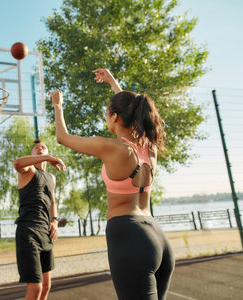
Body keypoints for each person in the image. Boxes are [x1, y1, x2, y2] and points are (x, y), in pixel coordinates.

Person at [49, 68, 175, 300]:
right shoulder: (149, 147)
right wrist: (113, 83)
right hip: (157, 236)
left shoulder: (113, 147)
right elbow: (133, 106)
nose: (106, 117)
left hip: (129, 235)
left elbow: (62, 137)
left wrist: (58, 106)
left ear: (115, 116)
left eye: (107, 113)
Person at [13, 139, 66, 300]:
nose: (40, 149)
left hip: (45, 232)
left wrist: (55, 220)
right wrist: (46, 157)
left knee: (46, 286)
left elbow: (53, 201)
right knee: (35, 288)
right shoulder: (28, 170)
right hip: (28, 232)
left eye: (43, 147)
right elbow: (17, 163)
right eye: (37, 148)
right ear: (32, 154)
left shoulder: (51, 177)